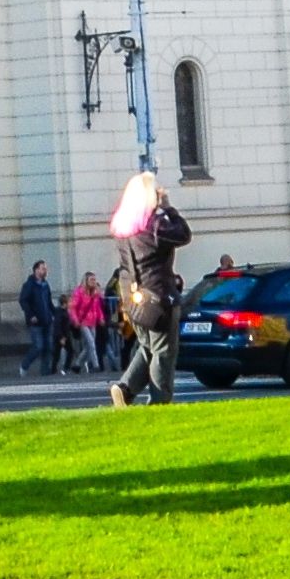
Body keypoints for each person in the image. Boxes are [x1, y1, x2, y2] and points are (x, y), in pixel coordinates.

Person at [108, 170, 192, 408]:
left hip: (133, 296)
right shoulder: (154, 227)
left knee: (148, 346)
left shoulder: (124, 228)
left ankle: (125, 389)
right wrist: (169, 208)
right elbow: (184, 234)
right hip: (158, 296)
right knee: (164, 351)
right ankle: (159, 400)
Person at [17, 258, 57, 377]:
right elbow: (23, 301)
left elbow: (48, 301)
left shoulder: (45, 285)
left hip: (46, 319)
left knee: (48, 346)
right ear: (36, 270)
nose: (45, 271)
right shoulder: (29, 285)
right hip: (35, 321)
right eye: (43, 268)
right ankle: (25, 365)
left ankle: (45, 370)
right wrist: (30, 315)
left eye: (45, 268)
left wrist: (54, 313)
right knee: (38, 346)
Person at [67, 270, 107, 373]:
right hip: (83, 321)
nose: (94, 282)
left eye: (94, 279)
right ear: (86, 280)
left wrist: (101, 318)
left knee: (88, 345)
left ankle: (77, 364)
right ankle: (96, 365)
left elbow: (97, 307)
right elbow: (72, 307)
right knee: (91, 343)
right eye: (91, 279)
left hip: (92, 321)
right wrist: (75, 320)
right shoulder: (79, 292)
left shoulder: (95, 293)